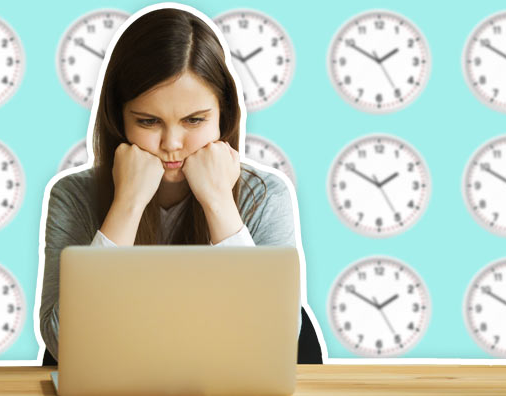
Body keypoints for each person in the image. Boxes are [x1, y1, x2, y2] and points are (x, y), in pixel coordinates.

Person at [39, 6, 313, 363]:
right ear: (118, 119)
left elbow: (273, 342)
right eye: (149, 121)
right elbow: (65, 346)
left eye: (194, 120)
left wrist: (219, 203)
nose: (172, 143)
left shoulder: (265, 195)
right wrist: (127, 206)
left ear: (223, 117)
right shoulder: (74, 196)